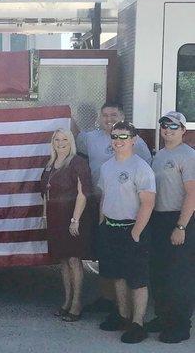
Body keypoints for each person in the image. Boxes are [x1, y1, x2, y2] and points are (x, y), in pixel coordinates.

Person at [76, 102, 152, 313]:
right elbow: (70, 145)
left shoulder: (139, 144)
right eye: (105, 115)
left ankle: (131, 314)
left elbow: (147, 173)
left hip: (129, 209)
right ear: (99, 118)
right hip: (98, 203)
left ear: (123, 116)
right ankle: (107, 299)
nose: (109, 118)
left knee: (130, 263)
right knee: (103, 255)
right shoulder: (89, 138)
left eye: (114, 114)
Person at [97, 121, 155, 344]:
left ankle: (137, 323)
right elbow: (104, 196)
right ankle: (123, 316)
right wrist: (102, 222)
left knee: (137, 279)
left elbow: (148, 203)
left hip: (133, 229)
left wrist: (136, 233)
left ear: (133, 140)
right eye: (114, 136)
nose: (118, 141)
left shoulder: (141, 168)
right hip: (110, 227)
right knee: (117, 275)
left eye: (123, 137)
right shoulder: (106, 167)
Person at [146, 111, 195, 343]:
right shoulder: (160, 154)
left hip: (180, 220)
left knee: (179, 276)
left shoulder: (188, 156)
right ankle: (163, 317)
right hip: (159, 219)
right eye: (164, 125)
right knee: (160, 273)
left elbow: (192, 194)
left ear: (183, 130)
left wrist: (181, 226)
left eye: (174, 127)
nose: (168, 130)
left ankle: (180, 325)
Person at [41, 129, 92, 322]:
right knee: (63, 261)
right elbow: (45, 191)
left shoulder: (77, 162)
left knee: (73, 260)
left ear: (71, 141)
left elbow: (83, 193)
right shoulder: (50, 164)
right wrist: (44, 214)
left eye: (64, 139)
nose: (60, 143)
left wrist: (75, 219)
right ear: (52, 142)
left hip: (71, 218)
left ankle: (77, 304)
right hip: (55, 219)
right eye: (57, 139)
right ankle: (67, 301)